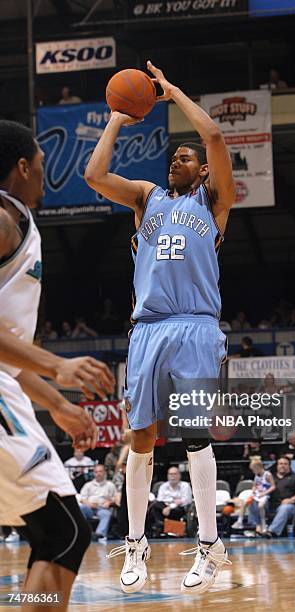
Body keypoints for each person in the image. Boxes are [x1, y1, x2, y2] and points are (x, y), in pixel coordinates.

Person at [85, 60, 235, 595]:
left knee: (195, 437)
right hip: (147, 329)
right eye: (175, 153)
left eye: (186, 156)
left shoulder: (212, 202)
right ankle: (136, 546)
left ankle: (210, 546)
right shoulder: (147, 198)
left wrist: (172, 91)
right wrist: (116, 118)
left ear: (201, 172)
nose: (180, 155)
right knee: (141, 438)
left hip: (195, 327)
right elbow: (95, 177)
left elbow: (213, 134)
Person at [0, 119, 115, 611]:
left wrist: (58, 405)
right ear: (22, 166)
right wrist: (57, 366)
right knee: (64, 532)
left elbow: (7, 351)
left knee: (56, 534)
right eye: (41, 167)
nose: (44, 179)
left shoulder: (14, 219)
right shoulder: (2, 219)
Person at [265, 456, 295, 537]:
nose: (282, 466)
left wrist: (291, 500)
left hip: (288, 506)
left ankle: (272, 532)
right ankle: (255, 528)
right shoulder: (270, 477)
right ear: (277, 465)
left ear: (289, 466)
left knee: (285, 507)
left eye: (285, 464)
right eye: (280, 464)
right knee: (256, 502)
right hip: (270, 505)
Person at [233, 458, 275, 534]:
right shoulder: (256, 475)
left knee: (260, 506)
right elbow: (254, 485)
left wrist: (265, 493)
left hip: (264, 494)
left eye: (253, 469)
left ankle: (263, 523)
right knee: (245, 503)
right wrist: (253, 491)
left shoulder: (268, 475)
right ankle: (239, 521)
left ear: (258, 467)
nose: (253, 471)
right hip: (257, 494)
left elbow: (273, 486)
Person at [147, 467, 192, 536]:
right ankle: (161, 526)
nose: (172, 476)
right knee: (154, 505)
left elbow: (186, 500)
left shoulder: (185, 486)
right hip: (164, 508)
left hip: (179, 509)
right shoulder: (163, 486)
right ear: (167, 476)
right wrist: (168, 505)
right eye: (170, 474)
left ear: (179, 475)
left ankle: (162, 526)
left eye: (175, 474)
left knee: (176, 508)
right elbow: (160, 500)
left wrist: (170, 507)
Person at [79, 465, 116, 544]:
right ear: (93, 473)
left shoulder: (110, 485)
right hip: (89, 508)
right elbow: (82, 498)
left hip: (102, 508)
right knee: (81, 508)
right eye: (96, 472)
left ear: (104, 473)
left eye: (100, 471)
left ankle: (99, 534)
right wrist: (89, 504)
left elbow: (115, 498)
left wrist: (109, 502)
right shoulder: (88, 485)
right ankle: (83, 533)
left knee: (106, 514)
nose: (98, 474)